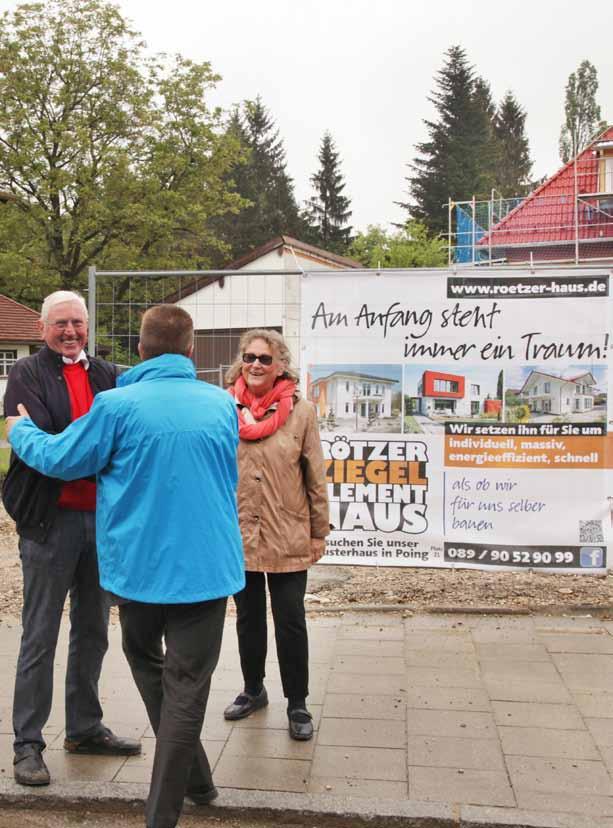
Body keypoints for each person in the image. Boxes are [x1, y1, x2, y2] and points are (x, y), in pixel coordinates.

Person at [7, 304, 245, 828]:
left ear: (138, 349)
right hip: (207, 570)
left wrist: (20, 432)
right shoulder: (221, 404)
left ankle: (165, 812)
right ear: (191, 350)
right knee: (187, 687)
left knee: (152, 667)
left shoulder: (116, 405)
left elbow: (60, 459)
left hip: (138, 572)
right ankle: (198, 781)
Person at [2, 290, 140, 787]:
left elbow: (119, 436)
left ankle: (83, 727)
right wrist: (89, 447)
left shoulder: (108, 375)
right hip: (49, 521)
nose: (70, 332)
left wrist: (84, 447)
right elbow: (47, 446)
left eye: (77, 323)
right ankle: (27, 744)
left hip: (100, 522)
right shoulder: (27, 374)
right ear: (42, 329)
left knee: (94, 629)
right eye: (60, 323)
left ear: (88, 326)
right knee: (40, 633)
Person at [223, 329, 329, 741]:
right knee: (248, 619)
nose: (255, 364)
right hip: (241, 532)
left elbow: (315, 475)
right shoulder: (225, 406)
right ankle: (253, 690)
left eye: (264, 359)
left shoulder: (301, 413)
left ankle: (297, 702)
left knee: (290, 621)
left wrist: (319, 532)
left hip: (287, 531)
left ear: (280, 365)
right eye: (249, 357)